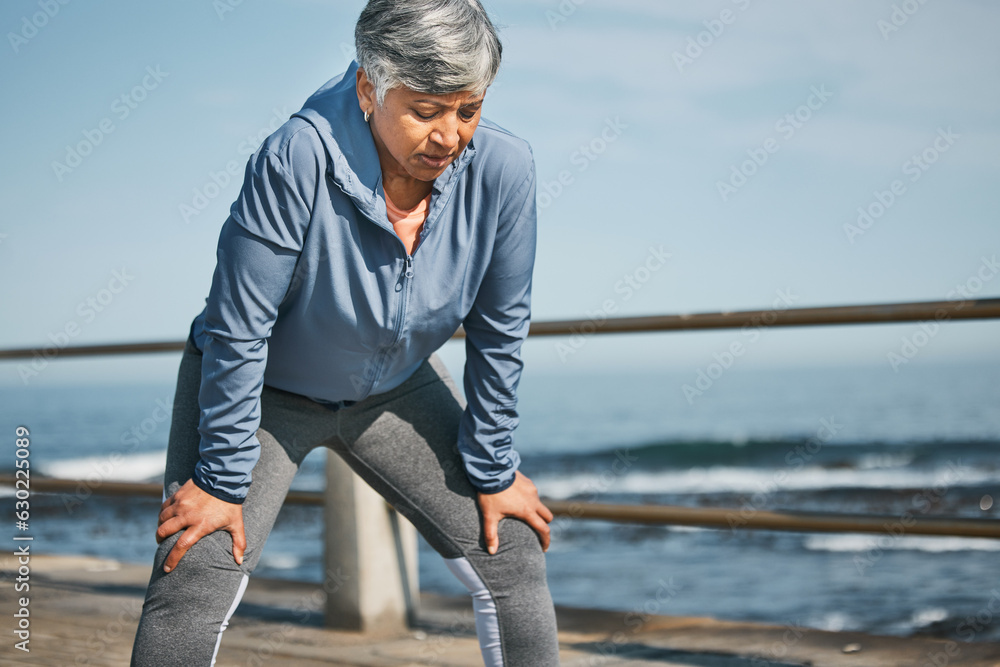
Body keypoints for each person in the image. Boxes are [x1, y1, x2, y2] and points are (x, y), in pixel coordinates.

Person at [129, 0, 560, 665]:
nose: (450, 136)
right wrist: (218, 481)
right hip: (262, 386)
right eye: (425, 111)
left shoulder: (505, 170)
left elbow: (500, 328)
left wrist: (494, 468)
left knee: (513, 549)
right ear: (370, 88)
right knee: (196, 565)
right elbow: (241, 327)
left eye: (467, 110)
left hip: (394, 387)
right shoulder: (296, 155)